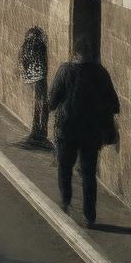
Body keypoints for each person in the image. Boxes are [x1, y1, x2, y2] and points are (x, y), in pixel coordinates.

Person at [48, 42, 120, 228]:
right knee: (88, 173)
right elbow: (114, 104)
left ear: (73, 53)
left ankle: (66, 202)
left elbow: (52, 101)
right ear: (90, 54)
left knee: (64, 167)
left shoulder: (64, 71)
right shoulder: (101, 73)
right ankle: (90, 216)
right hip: (91, 131)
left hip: (67, 129)